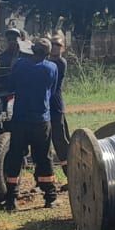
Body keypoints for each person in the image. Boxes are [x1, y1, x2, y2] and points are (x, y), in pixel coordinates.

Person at [1, 37, 59, 210]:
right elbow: (53, 90)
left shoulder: (20, 65)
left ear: (32, 50)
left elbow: (10, 86)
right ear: (47, 54)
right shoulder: (51, 68)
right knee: (43, 157)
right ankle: (50, 197)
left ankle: (11, 200)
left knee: (15, 157)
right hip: (41, 121)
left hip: (20, 120)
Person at [47, 36, 70, 165]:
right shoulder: (48, 62)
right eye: (52, 44)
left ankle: (70, 172)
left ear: (63, 48)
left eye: (58, 44)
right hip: (47, 106)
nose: (55, 46)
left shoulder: (60, 63)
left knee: (60, 140)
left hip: (56, 106)